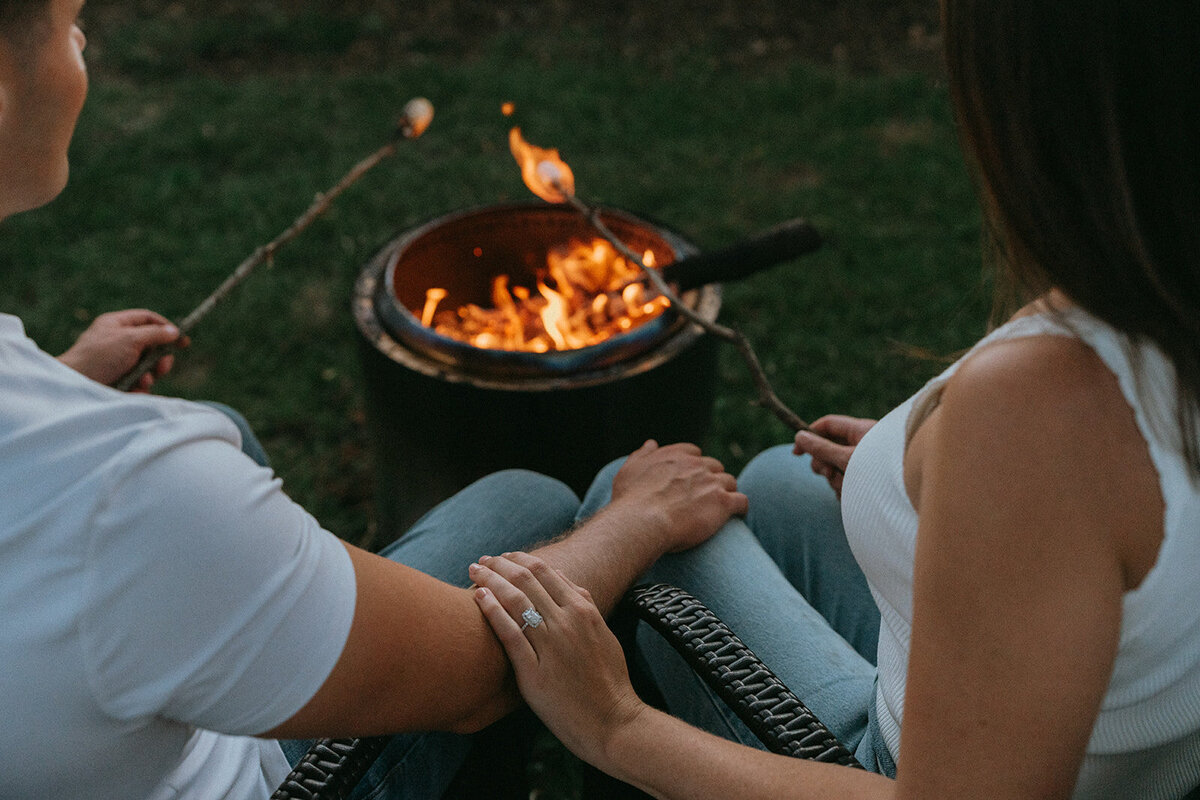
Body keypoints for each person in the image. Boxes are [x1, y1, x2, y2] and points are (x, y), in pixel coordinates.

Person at [0, 2, 750, 798]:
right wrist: (643, 513)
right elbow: (483, 669)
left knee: (227, 431)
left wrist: (64, 385)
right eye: (68, 20)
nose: (83, 42)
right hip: (259, 776)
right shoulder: (130, 494)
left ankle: (312, 619)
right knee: (526, 498)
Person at [469, 2, 1200, 798]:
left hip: (899, 771)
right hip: (1131, 722)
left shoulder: (1045, 412)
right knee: (777, 486)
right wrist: (933, 488)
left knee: (637, 503)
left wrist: (617, 726)